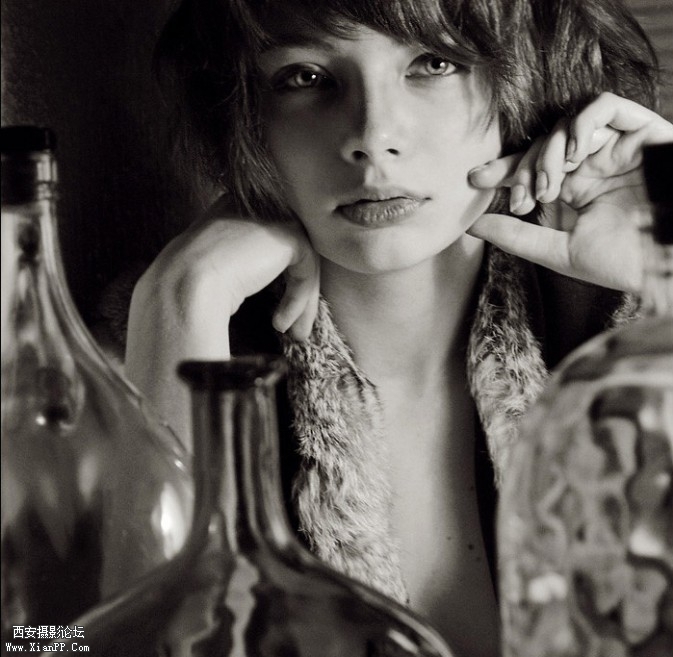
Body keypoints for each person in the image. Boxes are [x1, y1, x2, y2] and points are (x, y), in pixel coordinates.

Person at [108, 1, 673, 655]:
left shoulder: (611, 345)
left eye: (432, 64)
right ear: (247, 120)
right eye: (304, 77)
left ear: (521, 81)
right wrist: (179, 299)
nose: (372, 136)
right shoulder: (134, 364)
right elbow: (41, 640)